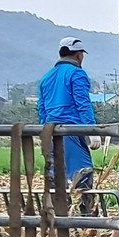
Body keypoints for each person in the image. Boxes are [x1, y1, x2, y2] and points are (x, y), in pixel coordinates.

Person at [37, 37, 101, 197]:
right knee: (82, 174)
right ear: (78, 55)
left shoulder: (46, 77)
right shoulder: (76, 74)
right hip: (71, 130)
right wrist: (91, 130)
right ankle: (86, 215)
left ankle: (57, 214)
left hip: (51, 132)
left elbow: (42, 110)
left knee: (55, 176)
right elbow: (83, 104)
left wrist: (44, 133)